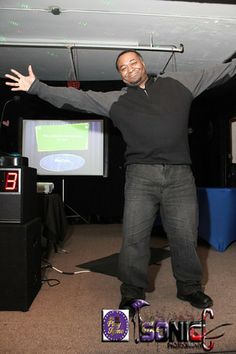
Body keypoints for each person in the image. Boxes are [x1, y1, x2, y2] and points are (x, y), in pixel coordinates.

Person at [5, 50, 236, 313]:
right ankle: (132, 292)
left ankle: (189, 287)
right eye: (122, 68)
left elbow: (217, 71)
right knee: (134, 238)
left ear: (143, 64)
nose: (129, 69)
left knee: (184, 236)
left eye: (132, 63)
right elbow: (76, 97)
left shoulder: (178, 83)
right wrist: (36, 87)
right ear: (121, 75)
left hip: (180, 176)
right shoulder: (116, 100)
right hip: (140, 177)